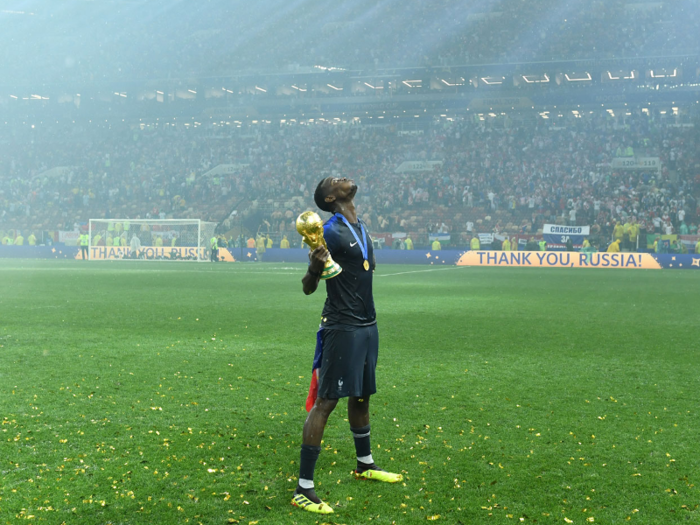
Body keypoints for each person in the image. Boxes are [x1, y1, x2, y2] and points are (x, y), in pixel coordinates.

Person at [293, 176, 402, 515]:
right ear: (330, 197)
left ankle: (365, 465)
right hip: (342, 326)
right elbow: (308, 287)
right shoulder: (331, 232)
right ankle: (303, 488)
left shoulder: (359, 224)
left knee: (361, 395)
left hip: (367, 324)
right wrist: (314, 267)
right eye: (335, 180)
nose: (343, 178)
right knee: (325, 403)